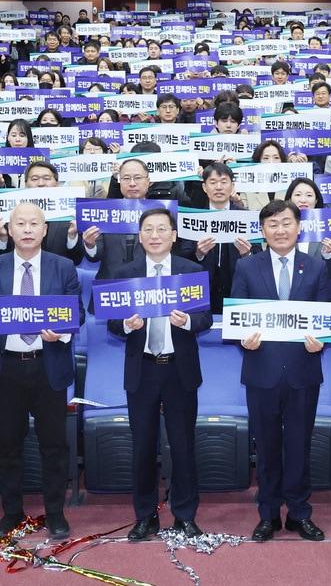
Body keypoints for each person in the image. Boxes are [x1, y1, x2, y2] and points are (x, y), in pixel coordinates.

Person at [0, 202, 83, 540]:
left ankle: (55, 513)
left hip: (47, 366)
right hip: (6, 369)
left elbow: (74, 313)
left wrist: (60, 332)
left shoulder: (63, 266)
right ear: (9, 228)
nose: (26, 229)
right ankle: (12, 512)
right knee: (7, 445)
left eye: (33, 223)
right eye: (19, 223)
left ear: (45, 229)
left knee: (54, 446)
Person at [106, 208, 213, 541]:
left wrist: (189, 322)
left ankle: (185, 514)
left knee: (183, 445)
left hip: (179, 369)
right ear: (140, 237)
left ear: (173, 235)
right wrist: (126, 324)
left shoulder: (191, 271)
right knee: (142, 446)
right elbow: (112, 320)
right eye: (148, 230)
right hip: (143, 369)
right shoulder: (125, 273)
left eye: (161, 229)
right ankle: (145, 515)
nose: (155, 235)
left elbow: (206, 319)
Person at [232, 200, 331, 542]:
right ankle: (268, 515)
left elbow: (326, 318)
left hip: (303, 372)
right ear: (262, 231)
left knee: (299, 446)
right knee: (266, 447)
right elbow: (237, 321)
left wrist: (322, 340)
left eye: (286, 223)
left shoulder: (316, 267)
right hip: (261, 372)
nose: (280, 230)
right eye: (272, 224)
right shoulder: (247, 267)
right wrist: (242, 340)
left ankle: (299, 513)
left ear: (299, 227)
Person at [176, 163, 257, 314]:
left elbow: (259, 257)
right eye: (213, 182)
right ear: (204, 188)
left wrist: (247, 254)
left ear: (232, 186)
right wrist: (199, 253)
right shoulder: (193, 217)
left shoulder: (246, 217)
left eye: (224, 182)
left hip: (237, 287)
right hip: (201, 288)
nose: (218, 187)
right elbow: (182, 256)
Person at [0, 161, 84, 264]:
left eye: (46, 179)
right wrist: (3, 237)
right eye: (35, 179)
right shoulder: (12, 212)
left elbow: (76, 259)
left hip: (56, 276)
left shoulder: (70, 214)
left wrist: (72, 237)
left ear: (57, 183)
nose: (41, 183)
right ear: (25, 184)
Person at [86, 158, 150, 279]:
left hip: (149, 285)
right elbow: (94, 256)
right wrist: (90, 245)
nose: (132, 183)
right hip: (110, 284)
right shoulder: (104, 211)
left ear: (148, 181)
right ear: (119, 181)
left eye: (137, 178)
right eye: (126, 178)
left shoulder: (162, 212)